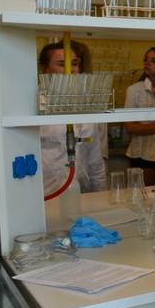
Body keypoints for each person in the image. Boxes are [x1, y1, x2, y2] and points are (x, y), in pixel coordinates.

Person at [38, 41, 107, 195]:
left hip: (81, 194)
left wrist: (99, 195)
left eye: (74, 64)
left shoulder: (87, 103)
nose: (71, 70)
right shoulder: (33, 104)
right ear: (45, 69)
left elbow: (95, 160)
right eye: (62, 64)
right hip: (46, 194)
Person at [124, 48, 155, 186]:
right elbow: (130, 127)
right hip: (143, 153)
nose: (147, 63)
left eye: (154, 61)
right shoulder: (134, 90)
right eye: (146, 59)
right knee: (145, 193)